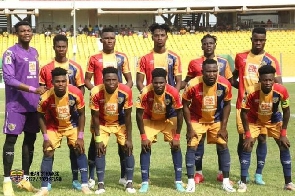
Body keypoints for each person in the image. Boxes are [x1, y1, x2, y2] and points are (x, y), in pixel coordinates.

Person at [232, 27, 282, 185]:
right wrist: (242, 91)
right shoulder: (240, 57)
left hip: (264, 107)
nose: (258, 42)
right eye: (256, 39)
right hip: (244, 106)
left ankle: (258, 174)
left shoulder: (271, 60)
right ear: (251, 39)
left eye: (262, 40)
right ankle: (243, 175)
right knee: (244, 140)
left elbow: (278, 85)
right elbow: (233, 77)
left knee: (262, 138)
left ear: (265, 40)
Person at [2, 21, 46, 196]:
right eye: (22, 31)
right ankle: (7, 182)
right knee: (11, 141)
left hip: (33, 105)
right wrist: (33, 89)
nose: (26, 33)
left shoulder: (34, 52)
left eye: (28, 30)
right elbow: (9, 79)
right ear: (16, 33)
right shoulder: (10, 53)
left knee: (30, 141)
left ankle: (24, 180)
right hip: (16, 106)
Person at [85, 26, 133, 188]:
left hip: (118, 106)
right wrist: (96, 93)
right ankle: (92, 177)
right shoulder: (94, 58)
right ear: (101, 40)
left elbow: (129, 80)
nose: (109, 40)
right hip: (100, 105)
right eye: (106, 38)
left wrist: (121, 95)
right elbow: (87, 80)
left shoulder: (122, 57)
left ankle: (124, 176)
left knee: (123, 144)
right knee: (95, 144)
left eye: (112, 38)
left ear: (115, 39)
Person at [181, 34, 233, 184]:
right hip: (199, 105)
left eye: (211, 43)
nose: (208, 45)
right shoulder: (194, 63)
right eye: (205, 43)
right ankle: (198, 172)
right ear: (202, 45)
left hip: (218, 107)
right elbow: (187, 80)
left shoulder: (223, 63)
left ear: (215, 45)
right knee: (198, 141)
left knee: (220, 141)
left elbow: (228, 83)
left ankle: (222, 173)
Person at [34, 67, 92, 196]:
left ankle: (84, 184)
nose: (60, 84)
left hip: (72, 125)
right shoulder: (45, 97)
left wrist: (80, 137)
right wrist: (45, 137)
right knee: (48, 152)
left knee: (79, 149)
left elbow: (82, 114)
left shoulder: (76, 93)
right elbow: (39, 115)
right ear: (52, 83)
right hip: (53, 127)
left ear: (67, 81)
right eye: (57, 81)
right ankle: (44, 187)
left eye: (63, 81)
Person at [39, 34, 85, 190]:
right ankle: (47, 183)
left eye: (63, 46)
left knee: (75, 148)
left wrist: (73, 106)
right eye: (58, 46)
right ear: (54, 47)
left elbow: (80, 90)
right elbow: (43, 91)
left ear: (67, 47)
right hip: (52, 116)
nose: (61, 49)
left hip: (72, 116)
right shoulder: (46, 69)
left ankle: (75, 179)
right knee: (49, 149)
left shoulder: (75, 67)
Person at [238, 65, 295, 192]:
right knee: (247, 145)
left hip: (273, 119)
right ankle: (242, 182)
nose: (268, 82)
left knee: (284, 145)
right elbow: (243, 113)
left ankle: (288, 183)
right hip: (254, 119)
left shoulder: (282, 91)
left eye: (270, 80)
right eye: (265, 80)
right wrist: (247, 134)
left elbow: (286, 111)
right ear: (260, 79)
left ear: (274, 79)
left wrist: (284, 133)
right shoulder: (251, 90)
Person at [136, 68, 185, 193]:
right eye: (156, 83)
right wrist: (143, 136)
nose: (158, 85)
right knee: (146, 146)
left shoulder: (173, 92)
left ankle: (178, 181)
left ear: (166, 81)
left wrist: (177, 137)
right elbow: (138, 114)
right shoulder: (145, 92)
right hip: (150, 119)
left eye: (161, 83)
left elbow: (180, 113)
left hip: (169, 118)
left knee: (175, 146)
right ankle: (145, 181)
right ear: (151, 82)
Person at [89, 67, 136, 194]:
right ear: (103, 80)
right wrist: (98, 139)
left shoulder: (126, 91)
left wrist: (129, 139)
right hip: (102, 124)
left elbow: (128, 116)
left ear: (118, 80)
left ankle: (129, 182)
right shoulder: (95, 92)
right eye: (108, 80)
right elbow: (95, 117)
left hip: (120, 124)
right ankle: (100, 184)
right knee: (100, 150)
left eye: (114, 80)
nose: (111, 83)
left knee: (128, 149)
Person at [136, 23, 182, 92]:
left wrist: (173, 95)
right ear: (152, 38)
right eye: (156, 36)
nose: (159, 38)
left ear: (166, 37)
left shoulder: (174, 57)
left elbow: (179, 81)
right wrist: (146, 94)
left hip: (169, 98)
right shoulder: (144, 58)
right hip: (151, 97)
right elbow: (139, 82)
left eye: (162, 35)